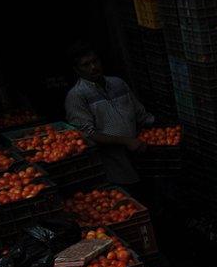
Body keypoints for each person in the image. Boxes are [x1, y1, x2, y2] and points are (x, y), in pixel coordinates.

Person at [64, 43, 154, 194]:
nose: (93, 67)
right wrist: (125, 140)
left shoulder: (118, 83)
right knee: (129, 195)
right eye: (86, 65)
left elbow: (140, 113)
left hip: (139, 150)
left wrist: (154, 128)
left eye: (95, 61)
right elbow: (87, 134)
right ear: (77, 70)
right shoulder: (77, 96)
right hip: (112, 163)